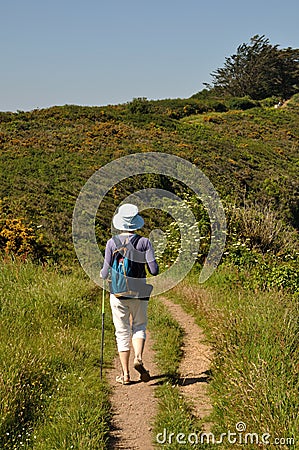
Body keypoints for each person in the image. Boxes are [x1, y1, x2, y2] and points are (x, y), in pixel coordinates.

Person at [100, 203, 159, 385]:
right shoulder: (144, 242)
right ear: (136, 223)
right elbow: (154, 270)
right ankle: (139, 358)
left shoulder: (112, 243)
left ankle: (125, 375)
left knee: (122, 331)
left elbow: (104, 273)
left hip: (118, 294)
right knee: (139, 326)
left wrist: (104, 274)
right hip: (139, 293)